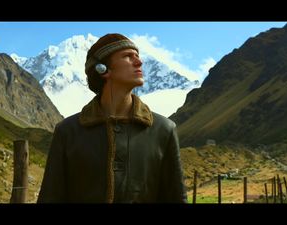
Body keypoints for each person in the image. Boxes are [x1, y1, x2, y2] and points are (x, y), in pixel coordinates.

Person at [37, 33, 187, 203]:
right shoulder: (68, 131)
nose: (139, 62)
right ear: (103, 69)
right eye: (128, 56)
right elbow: (51, 197)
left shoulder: (164, 130)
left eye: (137, 56)